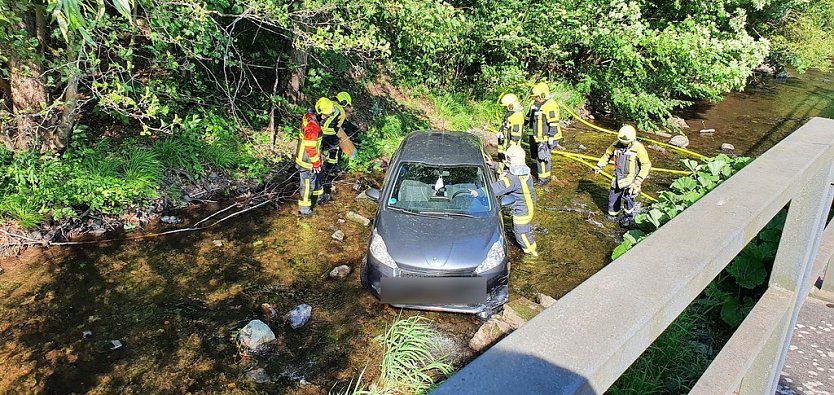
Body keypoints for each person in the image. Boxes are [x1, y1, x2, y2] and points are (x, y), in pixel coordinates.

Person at [472, 144, 538, 256]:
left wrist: (479, 192)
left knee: (521, 234)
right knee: (521, 229)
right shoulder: (522, 171)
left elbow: (496, 188)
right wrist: (493, 165)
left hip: (523, 210)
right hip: (528, 204)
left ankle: (532, 253)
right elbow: (505, 169)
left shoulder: (512, 180)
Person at [594, 125, 652, 227]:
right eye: (622, 142)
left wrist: (638, 180)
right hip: (617, 178)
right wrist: (599, 166)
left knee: (628, 200)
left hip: (631, 180)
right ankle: (612, 217)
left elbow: (646, 165)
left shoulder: (638, 148)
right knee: (613, 198)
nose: (624, 144)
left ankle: (628, 218)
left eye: (626, 143)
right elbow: (607, 155)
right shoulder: (616, 144)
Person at [295, 99, 330, 216]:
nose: (326, 118)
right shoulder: (313, 125)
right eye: (326, 115)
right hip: (307, 160)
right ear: (320, 113)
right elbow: (310, 147)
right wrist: (316, 162)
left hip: (311, 158)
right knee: (307, 185)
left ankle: (318, 198)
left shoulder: (310, 116)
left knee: (317, 177)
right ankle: (304, 210)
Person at [527, 82, 563, 185]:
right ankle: (537, 172)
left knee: (542, 158)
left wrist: (550, 136)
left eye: (536, 97)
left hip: (547, 137)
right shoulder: (536, 104)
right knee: (537, 156)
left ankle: (544, 179)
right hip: (538, 137)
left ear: (543, 95)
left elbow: (553, 122)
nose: (535, 99)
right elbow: (530, 118)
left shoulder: (550, 104)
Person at [317, 97, 341, 204]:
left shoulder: (326, 107)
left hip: (321, 133)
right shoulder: (338, 111)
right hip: (327, 134)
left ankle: (328, 169)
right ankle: (331, 169)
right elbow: (338, 126)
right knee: (334, 149)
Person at [496, 93, 525, 173]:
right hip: (505, 142)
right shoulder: (510, 114)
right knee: (503, 159)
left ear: (511, 105)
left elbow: (516, 132)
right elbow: (505, 125)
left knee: (511, 161)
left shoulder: (517, 115)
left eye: (506, 106)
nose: (505, 108)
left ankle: (510, 176)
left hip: (512, 145)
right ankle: (501, 173)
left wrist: (512, 145)